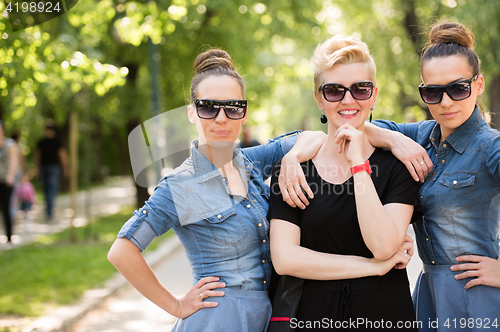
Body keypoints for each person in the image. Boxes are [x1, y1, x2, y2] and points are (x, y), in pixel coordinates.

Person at [107, 49, 325, 332]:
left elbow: (315, 136)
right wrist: (176, 306)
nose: (221, 118)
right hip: (216, 320)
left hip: (263, 317)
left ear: (243, 114)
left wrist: (293, 158)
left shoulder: (252, 163)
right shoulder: (180, 186)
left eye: (232, 107)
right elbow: (121, 251)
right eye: (209, 107)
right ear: (192, 113)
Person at [267, 35, 420, 331]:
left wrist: (358, 166)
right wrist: (371, 268)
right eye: (334, 90)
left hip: (385, 316)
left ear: (374, 94)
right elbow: (285, 259)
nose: (348, 100)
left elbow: (384, 247)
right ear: (319, 97)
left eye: (360, 89)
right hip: (313, 317)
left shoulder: (396, 167)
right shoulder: (291, 171)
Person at [364, 22, 500, 330]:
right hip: (430, 293)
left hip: (477, 296)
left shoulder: (490, 147)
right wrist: (395, 139)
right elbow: (356, 127)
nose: (446, 102)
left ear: (478, 85)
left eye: (458, 88)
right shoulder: (422, 135)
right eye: (433, 92)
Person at [35, 120, 69, 221]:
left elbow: (37, 156)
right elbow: (63, 156)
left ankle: (49, 211)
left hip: (49, 168)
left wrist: (38, 168)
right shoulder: (55, 141)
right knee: (50, 190)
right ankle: (49, 211)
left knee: (48, 190)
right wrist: (65, 168)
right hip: (52, 168)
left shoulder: (45, 141)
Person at [0, 121, 18, 243]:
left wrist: (10, 176)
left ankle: (9, 237)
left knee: (6, 208)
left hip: (6, 181)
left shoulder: (9, 144)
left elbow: (13, 162)